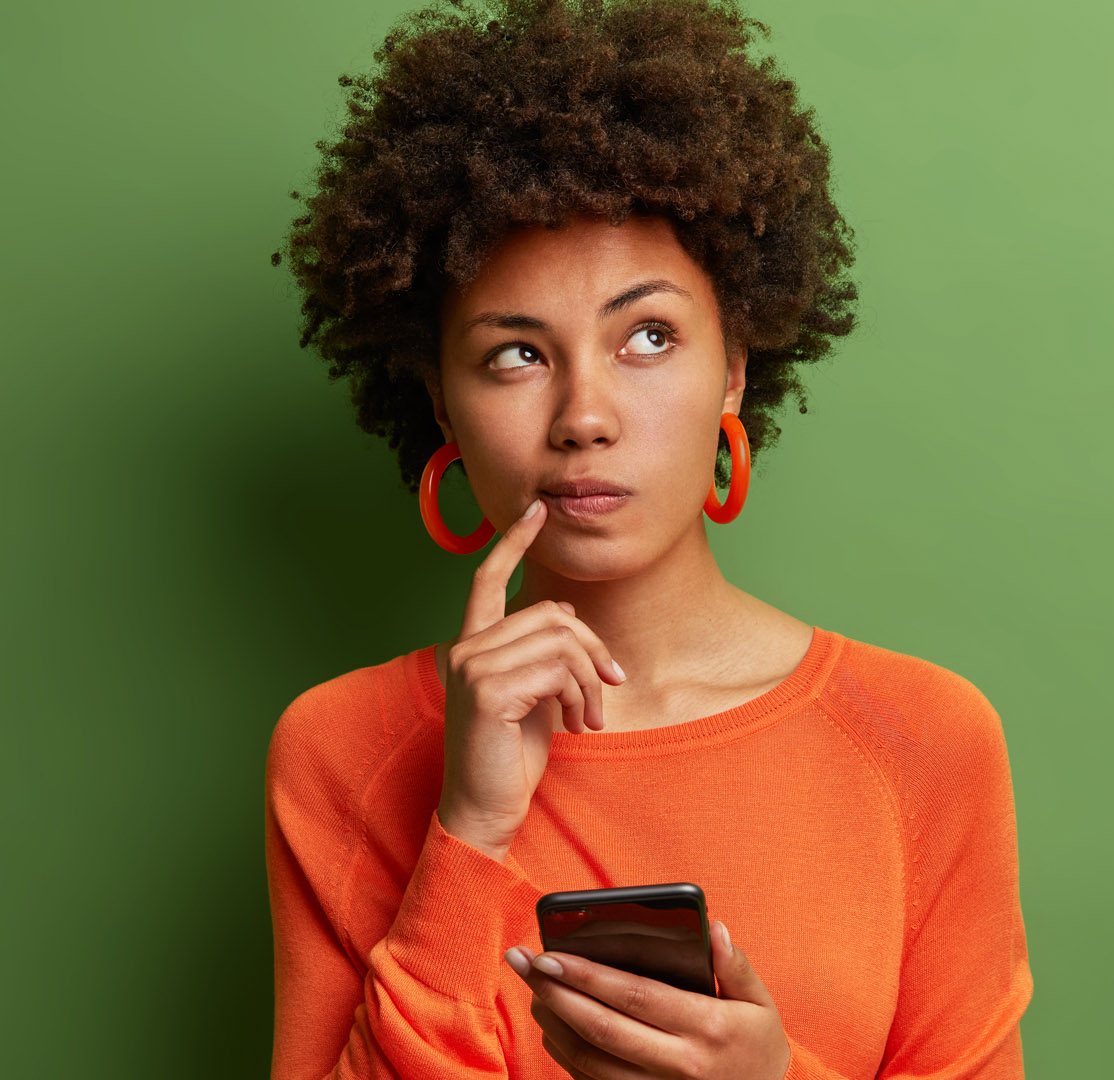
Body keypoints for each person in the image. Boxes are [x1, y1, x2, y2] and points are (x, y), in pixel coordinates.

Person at [262, 1, 1032, 1077]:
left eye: (649, 337)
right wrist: (469, 831)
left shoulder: (922, 740)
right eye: (516, 356)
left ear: (735, 368)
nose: (585, 414)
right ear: (440, 403)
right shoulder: (343, 751)